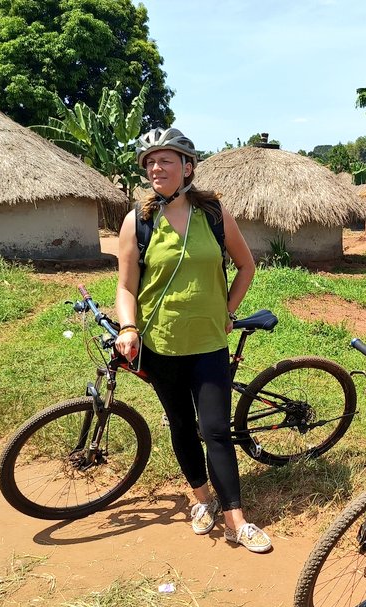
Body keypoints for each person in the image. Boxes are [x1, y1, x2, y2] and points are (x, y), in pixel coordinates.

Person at [114, 127, 271, 553]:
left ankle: (235, 519)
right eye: (150, 161)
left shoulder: (214, 214)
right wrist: (128, 327)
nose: (155, 167)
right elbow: (126, 288)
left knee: (216, 430)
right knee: (182, 424)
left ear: (187, 167)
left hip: (208, 343)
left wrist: (228, 311)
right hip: (161, 344)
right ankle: (201, 498)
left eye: (165, 159)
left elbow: (246, 266)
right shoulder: (138, 222)